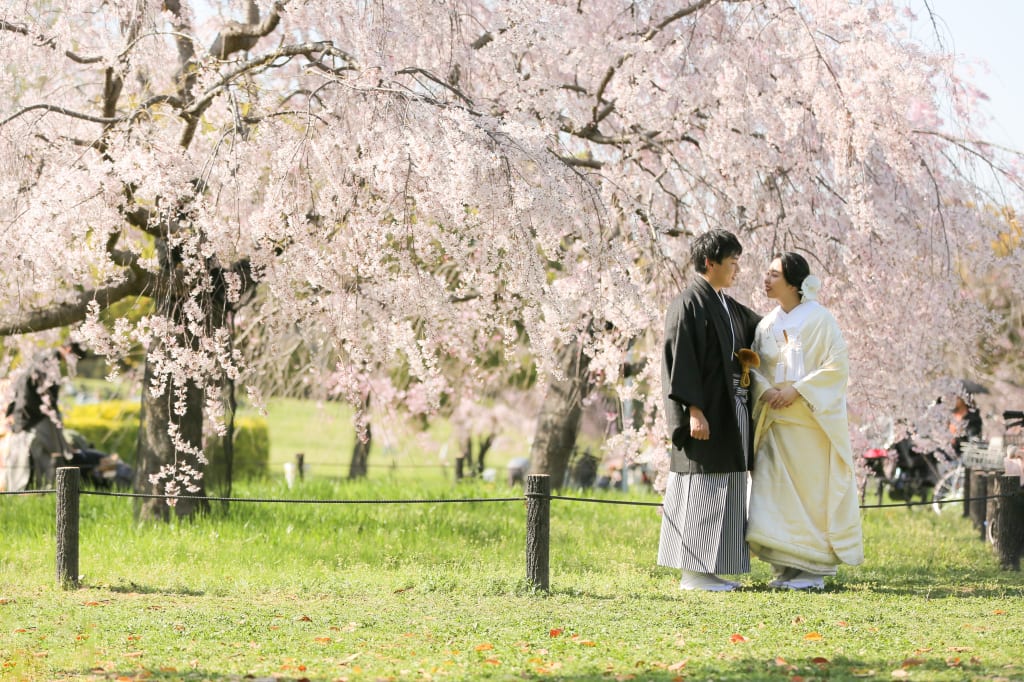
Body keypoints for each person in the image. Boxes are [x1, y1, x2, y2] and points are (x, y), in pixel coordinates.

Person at [746, 253, 863, 590]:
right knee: (775, 494)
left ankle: (811, 570)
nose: (766, 279)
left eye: (774, 274)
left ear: (794, 282)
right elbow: (753, 366)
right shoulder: (766, 325)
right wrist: (766, 389)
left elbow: (836, 366)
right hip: (776, 422)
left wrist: (797, 390)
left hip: (809, 424)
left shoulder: (820, 319)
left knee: (809, 495)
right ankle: (786, 566)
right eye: (767, 273)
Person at [657, 230, 761, 592]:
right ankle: (694, 574)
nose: (737, 268)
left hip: (731, 408)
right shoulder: (688, 303)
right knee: (702, 486)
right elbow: (680, 360)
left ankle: (712, 571)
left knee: (727, 486)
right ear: (709, 263)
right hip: (705, 411)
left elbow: (763, 328)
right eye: (731, 261)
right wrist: (694, 410)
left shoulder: (727, 305)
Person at [4, 342, 85, 489]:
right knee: (43, 453)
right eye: (75, 357)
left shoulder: (44, 357)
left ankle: (43, 487)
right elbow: (33, 389)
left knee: (36, 453)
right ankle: (45, 487)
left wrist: (14, 410)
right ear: (68, 350)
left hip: (27, 412)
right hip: (34, 414)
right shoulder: (49, 361)